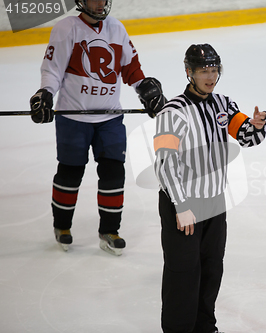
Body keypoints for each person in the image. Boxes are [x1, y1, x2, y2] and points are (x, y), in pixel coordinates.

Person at [29, 0, 167, 255]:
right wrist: (45, 93)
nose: (100, 2)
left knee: (114, 173)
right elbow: (52, 70)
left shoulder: (116, 28)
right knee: (70, 173)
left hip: (109, 118)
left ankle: (110, 230)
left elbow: (131, 68)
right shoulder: (66, 28)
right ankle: (62, 227)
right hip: (73, 118)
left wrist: (145, 90)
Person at [154, 43, 266, 333]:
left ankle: (204, 326)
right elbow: (164, 164)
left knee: (211, 269)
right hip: (184, 205)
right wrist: (181, 206)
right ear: (189, 72)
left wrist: (255, 126)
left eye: (214, 69)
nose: (210, 76)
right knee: (183, 273)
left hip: (214, 203)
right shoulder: (173, 112)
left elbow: (247, 138)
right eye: (204, 70)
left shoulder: (223, 104)